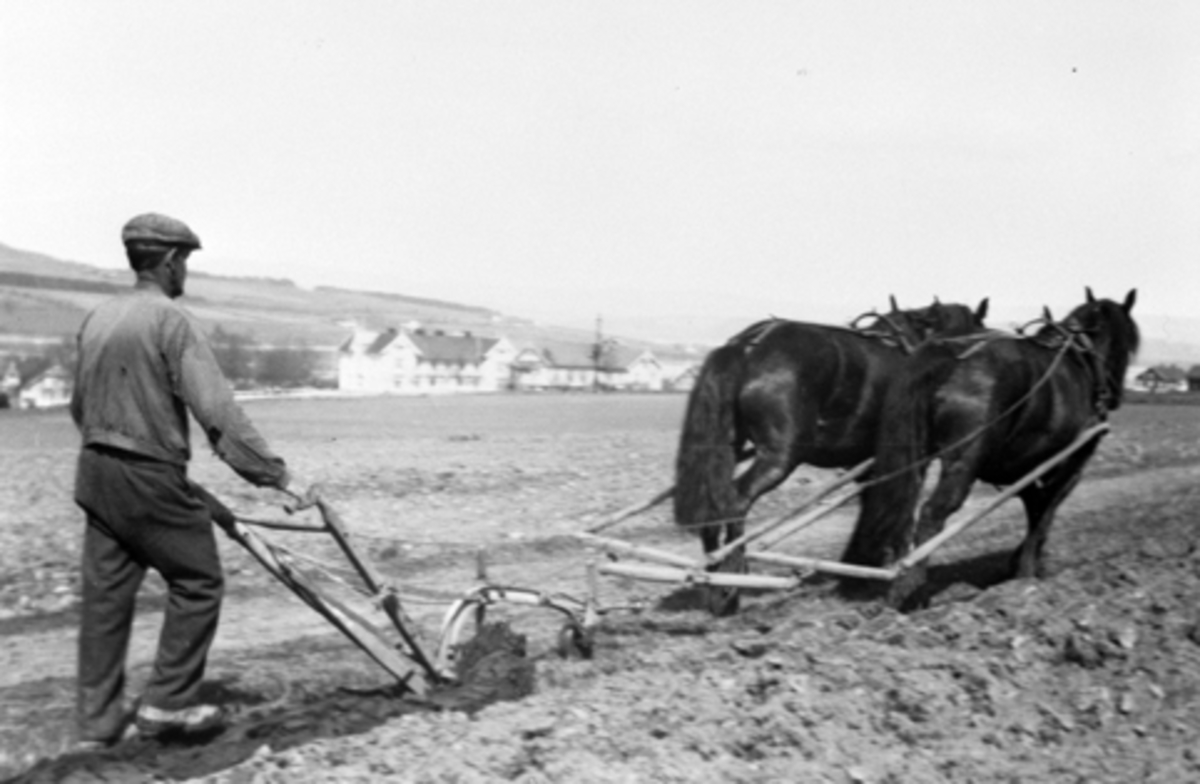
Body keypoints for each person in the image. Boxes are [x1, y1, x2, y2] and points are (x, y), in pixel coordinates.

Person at [70, 213, 309, 748]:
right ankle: (168, 703)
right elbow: (217, 411)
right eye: (186, 263)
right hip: (147, 475)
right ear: (172, 261)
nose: (186, 274)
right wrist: (275, 475)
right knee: (199, 580)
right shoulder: (169, 321)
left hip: (95, 471)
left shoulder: (99, 318)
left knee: (107, 596)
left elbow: (79, 406)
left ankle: (96, 723)